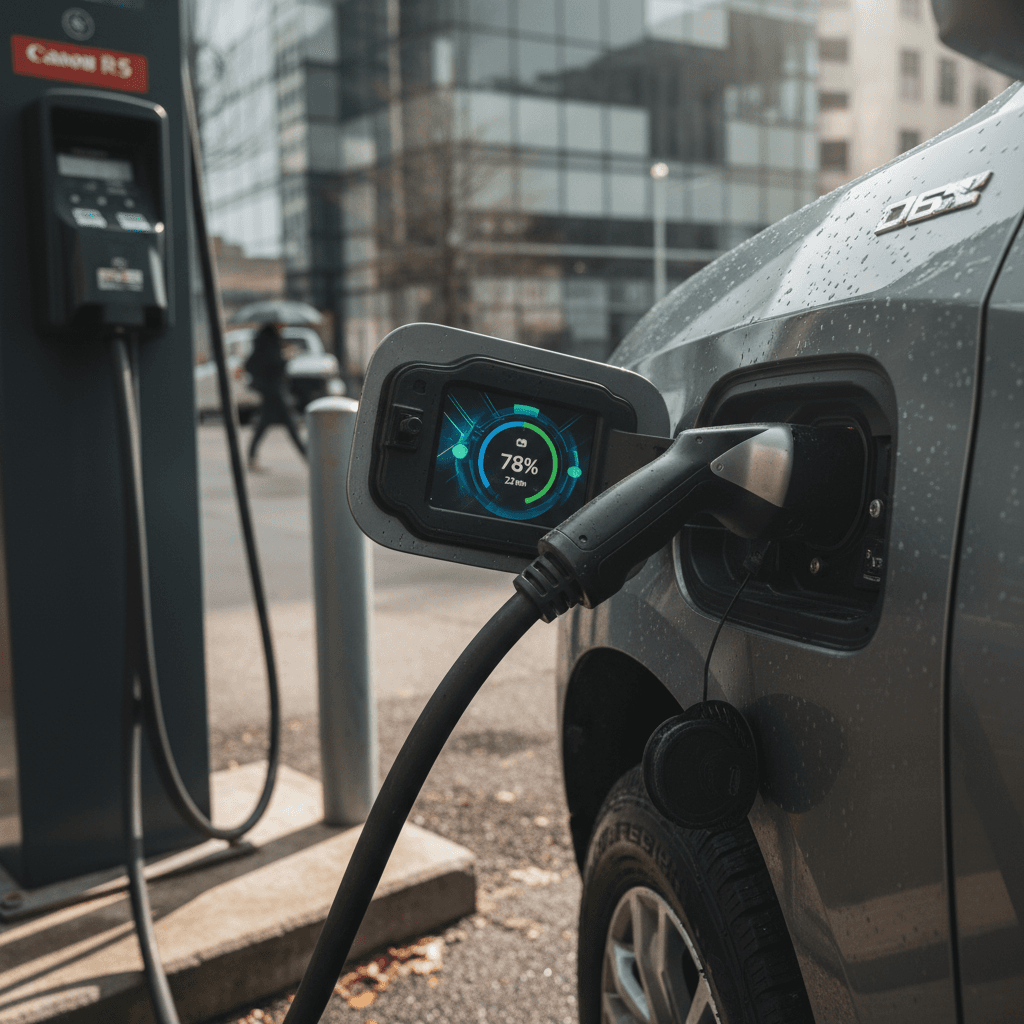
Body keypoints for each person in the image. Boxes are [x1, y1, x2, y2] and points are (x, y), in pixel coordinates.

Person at [244, 322, 307, 469]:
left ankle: (252, 457)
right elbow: (276, 366)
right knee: (291, 427)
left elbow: (252, 365)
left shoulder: (261, 346)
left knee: (263, 426)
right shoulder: (270, 347)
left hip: (270, 394)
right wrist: (287, 358)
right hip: (276, 394)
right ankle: (308, 456)